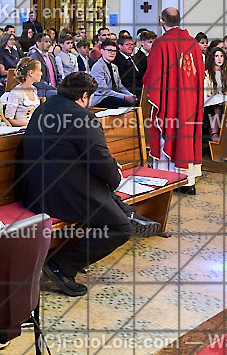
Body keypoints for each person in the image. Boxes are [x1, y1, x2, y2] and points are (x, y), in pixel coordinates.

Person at [19, 72, 138, 296]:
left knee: (103, 191)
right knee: (121, 229)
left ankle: (126, 210)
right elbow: (101, 161)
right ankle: (61, 266)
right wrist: (116, 176)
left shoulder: (44, 108)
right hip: (60, 194)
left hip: (34, 190)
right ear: (84, 96)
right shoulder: (83, 117)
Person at [142, 8, 205, 194]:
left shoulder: (161, 43)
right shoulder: (193, 43)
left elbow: (152, 77)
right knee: (187, 134)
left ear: (162, 21)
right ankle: (188, 180)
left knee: (167, 131)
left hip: (171, 101)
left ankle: (167, 180)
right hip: (191, 100)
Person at [90, 40, 135, 108]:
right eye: (109, 50)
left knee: (135, 101)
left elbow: (120, 86)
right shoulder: (98, 67)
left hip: (112, 95)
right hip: (101, 98)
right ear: (102, 51)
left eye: (114, 51)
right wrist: (124, 97)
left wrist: (130, 95)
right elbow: (104, 91)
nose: (112, 53)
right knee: (125, 103)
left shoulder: (114, 67)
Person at [204, 47, 227, 143]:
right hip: (209, 100)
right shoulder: (207, 73)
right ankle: (214, 134)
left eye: (221, 56)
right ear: (212, 58)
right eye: (216, 56)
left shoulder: (226, 72)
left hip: (223, 98)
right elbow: (205, 92)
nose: (219, 59)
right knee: (217, 106)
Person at [4, 58, 41, 127]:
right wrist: (28, 125)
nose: (41, 73)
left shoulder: (34, 89)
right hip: (21, 129)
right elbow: (9, 119)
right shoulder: (16, 92)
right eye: (39, 70)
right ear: (31, 73)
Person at [27, 33, 61, 97]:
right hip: (43, 90)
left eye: (49, 42)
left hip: (54, 88)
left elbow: (57, 74)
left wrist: (60, 86)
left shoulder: (51, 56)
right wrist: (52, 88)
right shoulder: (34, 58)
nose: (49, 44)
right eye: (46, 42)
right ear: (38, 43)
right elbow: (35, 80)